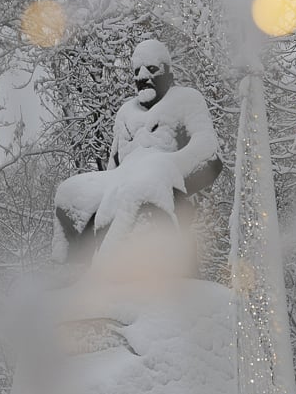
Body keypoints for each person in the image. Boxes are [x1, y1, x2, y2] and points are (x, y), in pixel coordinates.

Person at [52, 39, 222, 264]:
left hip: (162, 182)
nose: (142, 77)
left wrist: (167, 167)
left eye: (151, 69)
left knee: (144, 182)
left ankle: (109, 266)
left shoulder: (186, 100)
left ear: (168, 74)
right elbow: (114, 166)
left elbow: (209, 152)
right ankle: (71, 273)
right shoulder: (125, 113)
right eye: (137, 71)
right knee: (68, 193)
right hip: (121, 182)